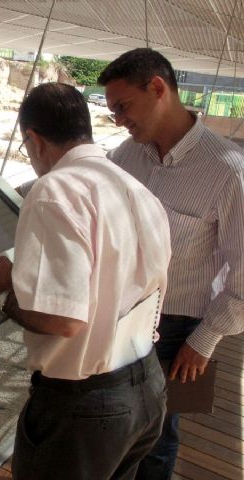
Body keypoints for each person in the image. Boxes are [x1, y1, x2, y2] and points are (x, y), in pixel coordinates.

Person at [0, 82, 171, 480]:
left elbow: (62, 320)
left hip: (86, 408)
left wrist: (2, 291)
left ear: (33, 138)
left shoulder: (54, 191)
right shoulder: (136, 188)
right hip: (147, 386)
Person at [98, 48, 244, 480]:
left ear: (157, 88)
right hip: (118, 315)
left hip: (175, 325)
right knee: (113, 425)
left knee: (158, 438)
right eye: (113, 112)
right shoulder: (126, 156)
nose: (119, 120)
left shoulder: (228, 171)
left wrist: (206, 338)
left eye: (123, 106)